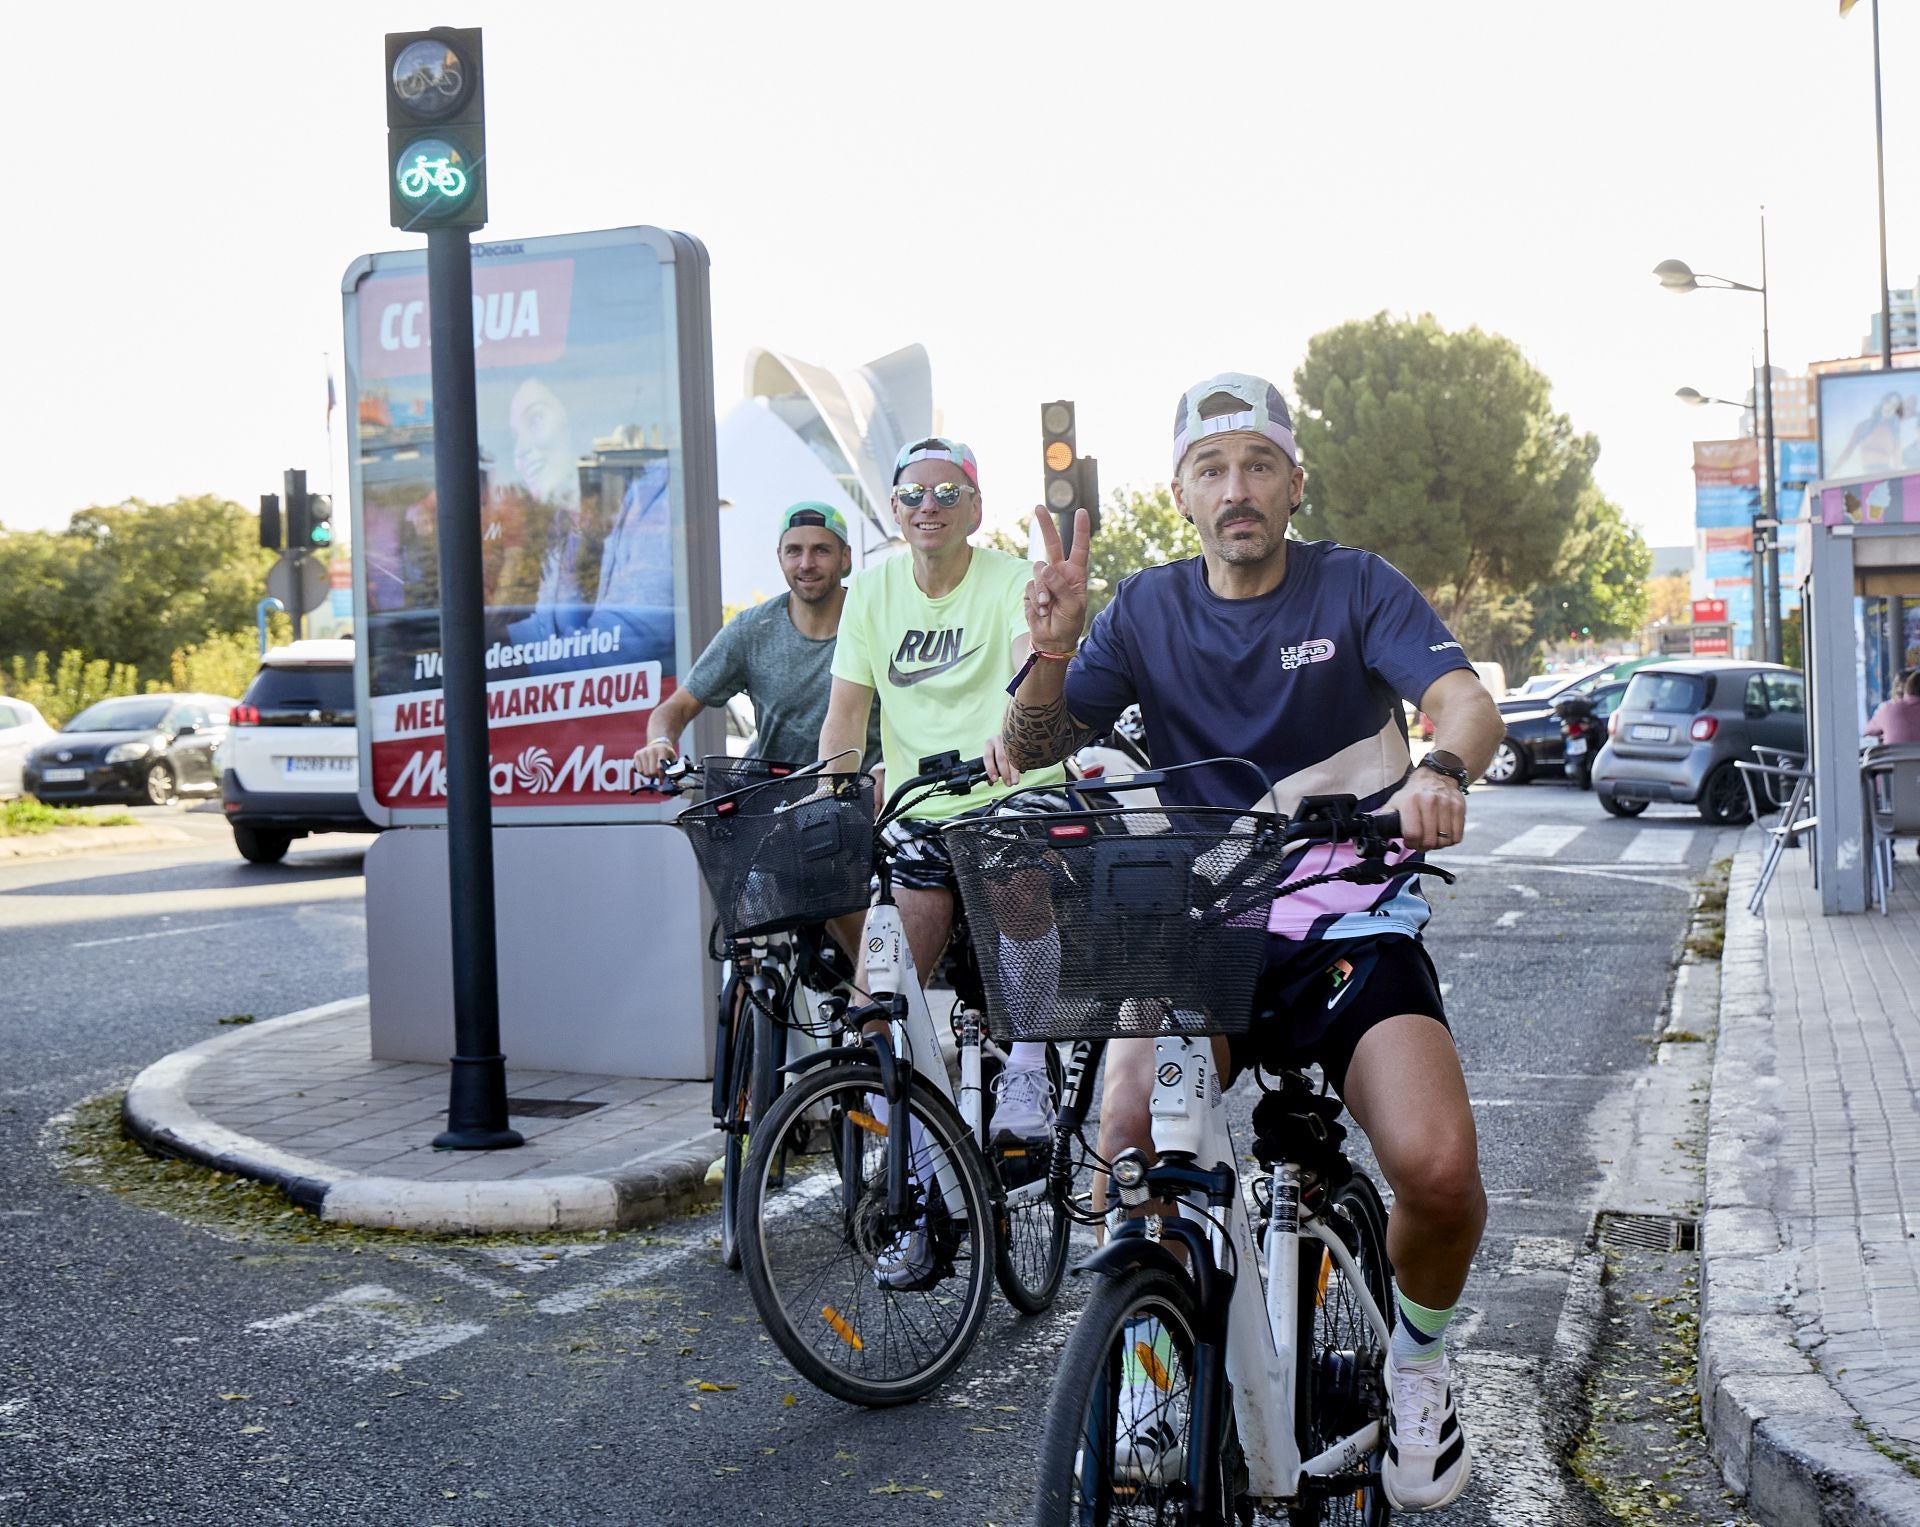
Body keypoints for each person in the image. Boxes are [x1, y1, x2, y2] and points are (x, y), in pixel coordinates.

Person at [999, 373, 1504, 1512]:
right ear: (1180, 494)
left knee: (1436, 1169)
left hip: (1345, 912)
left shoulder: (1356, 586)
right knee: (1127, 1130)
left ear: (1292, 484)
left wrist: (1439, 766)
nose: (1238, 490)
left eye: (1259, 466)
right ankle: (1146, 1353)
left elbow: (1467, 702)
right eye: (1212, 470)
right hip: (1198, 927)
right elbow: (1031, 745)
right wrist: (1053, 644)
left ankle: (1416, 1368)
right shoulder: (1139, 610)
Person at [815, 436, 1070, 1285]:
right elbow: (847, 717)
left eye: (946, 490)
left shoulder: (1003, 581)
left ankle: (1029, 1068)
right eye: (912, 492)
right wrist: (832, 801)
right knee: (881, 999)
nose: (928, 504)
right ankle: (919, 1171)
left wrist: (1010, 738)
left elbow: (1025, 673)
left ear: (974, 507)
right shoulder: (874, 591)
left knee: (1017, 885)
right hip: (920, 806)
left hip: (1009, 789)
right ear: (893, 509)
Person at [633, 503, 881, 776]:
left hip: (869, 800)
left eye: (821, 550)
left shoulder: (878, 622)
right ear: (780, 557)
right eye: (794, 551)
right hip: (775, 801)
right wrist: (659, 743)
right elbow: (675, 708)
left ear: (845, 558)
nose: (806, 563)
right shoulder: (751, 629)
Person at [1866, 670, 1920, 746]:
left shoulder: (1887, 709)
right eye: (1897, 686)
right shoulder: (1886, 708)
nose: (1899, 690)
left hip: (1894, 756)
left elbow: (1868, 732)